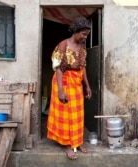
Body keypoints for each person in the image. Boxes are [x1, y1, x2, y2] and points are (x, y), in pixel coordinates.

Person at [47, 17, 92, 160]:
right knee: (65, 114)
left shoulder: (82, 47)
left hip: (76, 83)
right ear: (77, 31)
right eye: (84, 34)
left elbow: (83, 67)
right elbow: (59, 69)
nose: (85, 37)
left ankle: (77, 142)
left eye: (87, 35)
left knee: (77, 114)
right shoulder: (63, 45)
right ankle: (67, 145)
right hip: (63, 82)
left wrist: (87, 85)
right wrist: (60, 90)